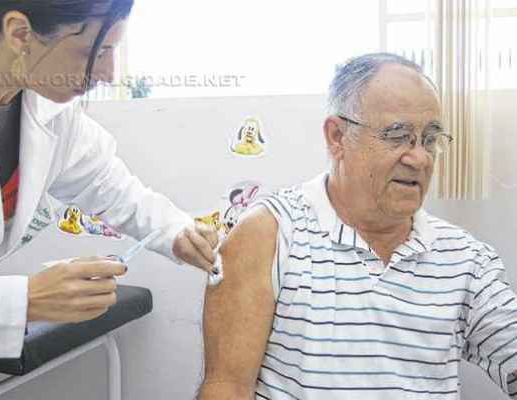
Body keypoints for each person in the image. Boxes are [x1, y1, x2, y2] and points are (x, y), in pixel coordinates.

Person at [0, 0, 218, 399]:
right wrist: (26, 299)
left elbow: (112, 186)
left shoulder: (48, 109)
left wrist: (177, 232)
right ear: (20, 34)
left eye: (113, 51)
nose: (108, 74)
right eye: (95, 52)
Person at [198, 53, 517, 399]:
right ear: (337, 136)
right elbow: (226, 388)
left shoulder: (465, 259)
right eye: (398, 136)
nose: (420, 158)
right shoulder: (268, 236)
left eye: (429, 140)